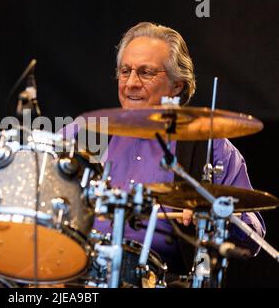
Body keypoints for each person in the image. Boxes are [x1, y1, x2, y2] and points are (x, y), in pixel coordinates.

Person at [61, 22, 266, 278]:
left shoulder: (209, 146)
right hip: (75, 273)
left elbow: (253, 235)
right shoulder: (86, 132)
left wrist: (215, 213)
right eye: (125, 71)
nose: (131, 83)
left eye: (146, 73)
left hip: (163, 279)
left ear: (177, 85)